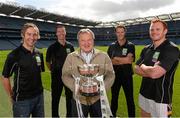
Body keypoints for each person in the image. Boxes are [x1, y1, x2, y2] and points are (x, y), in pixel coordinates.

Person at [62, 28, 115, 117]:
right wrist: (76, 87)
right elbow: (65, 76)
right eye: (83, 40)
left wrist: (101, 88)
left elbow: (110, 75)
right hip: (79, 99)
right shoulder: (71, 57)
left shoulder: (104, 56)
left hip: (98, 100)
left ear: (93, 40)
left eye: (89, 40)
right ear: (78, 41)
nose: (86, 43)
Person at [135, 19, 180, 117]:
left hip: (161, 97)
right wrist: (149, 70)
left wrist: (143, 66)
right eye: (152, 29)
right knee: (144, 114)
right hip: (144, 92)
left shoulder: (172, 49)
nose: (154, 32)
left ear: (165, 31)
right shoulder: (146, 49)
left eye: (158, 29)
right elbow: (135, 69)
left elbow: (155, 74)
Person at [2, 23, 45, 117]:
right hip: (22, 100)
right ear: (23, 35)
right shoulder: (14, 55)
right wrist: (11, 96)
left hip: (39, 97)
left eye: (34, 34)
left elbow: (38, 73)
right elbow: (5, 77)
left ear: (37, 36)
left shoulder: (39, 54)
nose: (32, 37)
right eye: (29, 34)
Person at [46, 25, 74, 117]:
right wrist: (53, 69)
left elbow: (73, 61)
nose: (61, 33)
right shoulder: (52, 47)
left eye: (63, 31)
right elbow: (47, 62)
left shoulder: (70, 46)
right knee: (55, 98)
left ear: (65, 32)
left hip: (69, 77)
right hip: (56, 77)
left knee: (69, 98)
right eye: (59, 31)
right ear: (56, 33)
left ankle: (69, 115)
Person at [107, 25, 135, 117]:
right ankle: (113, 115)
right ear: (115, 33)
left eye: (122, 32)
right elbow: (109, 62)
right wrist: (123, 60)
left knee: (130, 99)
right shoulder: (111, 46)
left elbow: (129, 60)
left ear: (125, 32)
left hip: (127, 76)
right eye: (118, 32)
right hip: (115, 76)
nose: (120, 34)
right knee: (114, 98)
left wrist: (115, 59)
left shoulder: (130, 45)